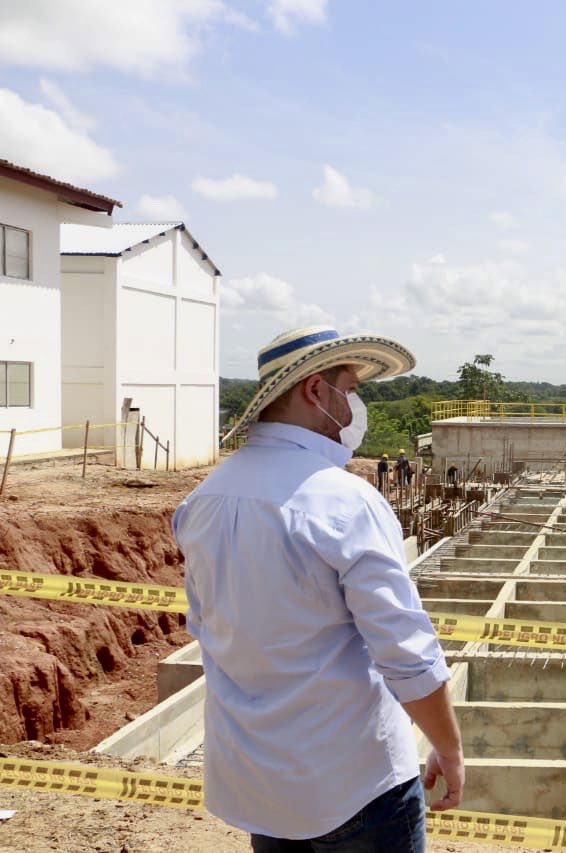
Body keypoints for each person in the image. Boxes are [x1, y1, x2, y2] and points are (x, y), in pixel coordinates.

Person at [173, 325, 464, 852]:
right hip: (354, 783)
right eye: (350, 388)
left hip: (257, 780)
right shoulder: (343, 500)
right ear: (315, 391)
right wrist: (449, 748)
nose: (356, 404)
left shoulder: (203, 499)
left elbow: (211, 629)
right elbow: (406, 654)